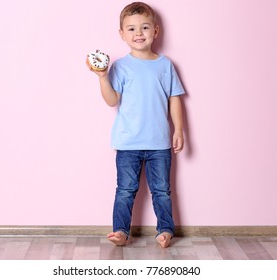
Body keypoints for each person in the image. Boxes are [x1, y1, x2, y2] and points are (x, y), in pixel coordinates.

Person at [87, 2, 185, 248]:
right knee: (125, 190)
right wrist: (102, 77)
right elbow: (112, 101)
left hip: (159, 143)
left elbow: (175, 99)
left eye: (144, 27)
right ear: (122, 34)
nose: (138, 33)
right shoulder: (120, 66)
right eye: (131, 29)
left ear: (156, 31)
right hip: (128, 142)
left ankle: (165, 230)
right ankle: (120, 231)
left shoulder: (165, 65)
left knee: (162, 191)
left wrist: (180, 130)